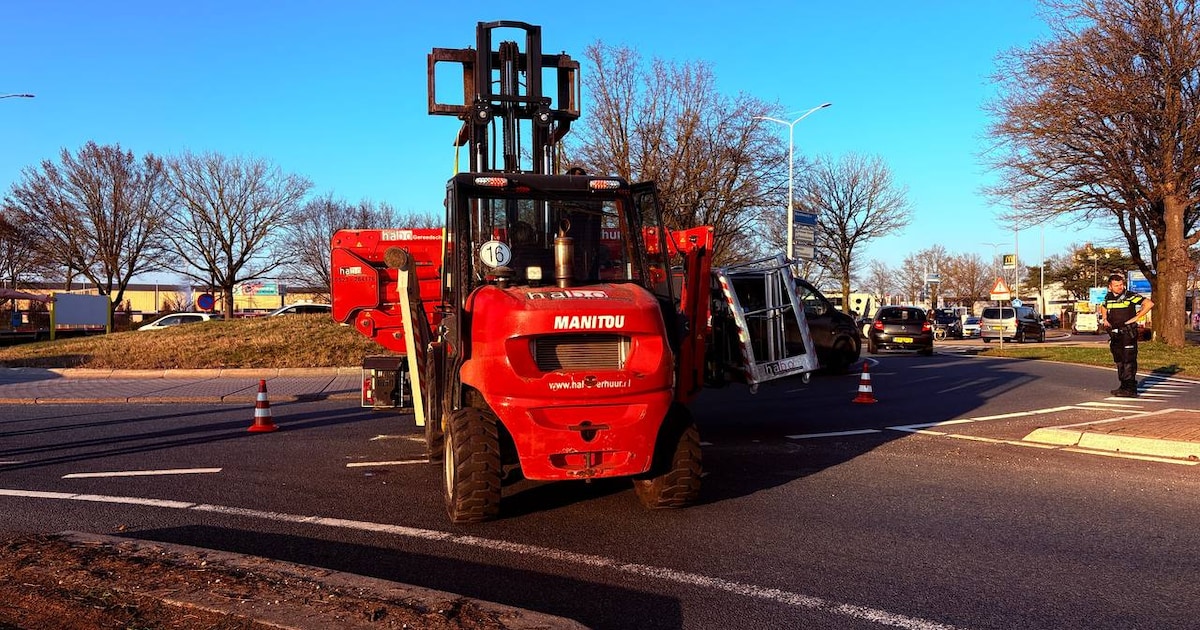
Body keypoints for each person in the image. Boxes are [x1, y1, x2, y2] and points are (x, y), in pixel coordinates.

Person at [1096, 273, 1154, 397]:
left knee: (1129, 360)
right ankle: (1123, 386)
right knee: (1119, 360)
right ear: (1110, 287)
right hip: (1115, 334)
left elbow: (1149, 304)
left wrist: (1137, 317)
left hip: (1128, 333)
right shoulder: (1108, 297)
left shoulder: (1129, 296)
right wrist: (1105, 318)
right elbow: (1104, 306)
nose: (1119, 287)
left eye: (1121, 285)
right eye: (1116, 285)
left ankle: (1130, 388)